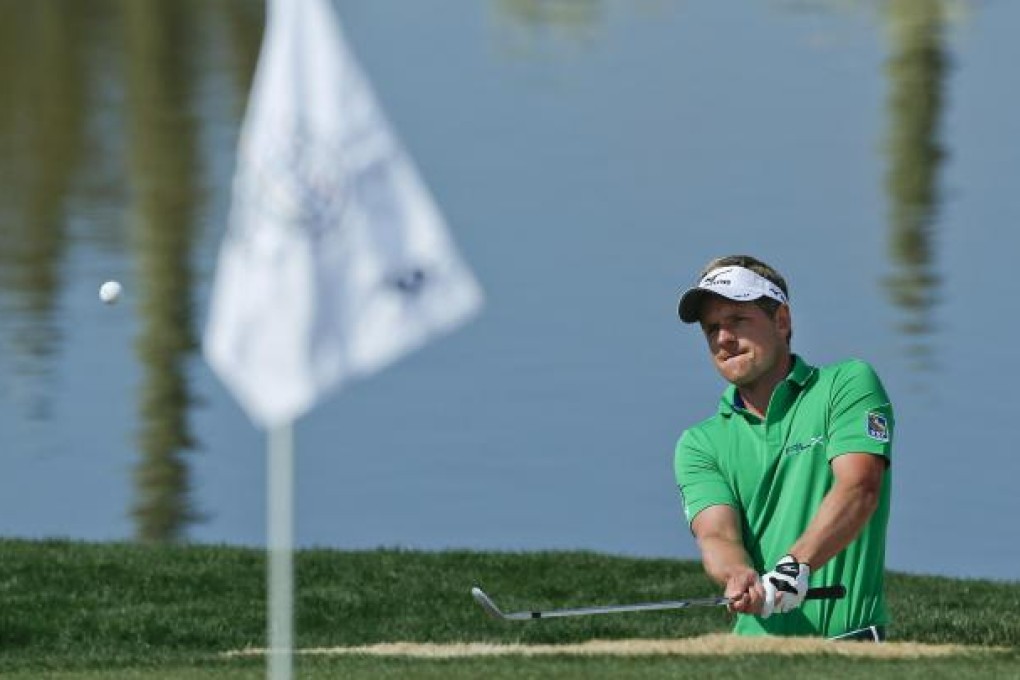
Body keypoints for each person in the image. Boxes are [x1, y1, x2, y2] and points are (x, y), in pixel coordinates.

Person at [673, 255, 893, 641]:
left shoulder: (845, 386)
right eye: (711, 328)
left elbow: (859, 488)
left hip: (853, 646)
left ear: (782, 321)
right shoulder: (699, 444)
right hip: (753, 656)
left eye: (737, 320)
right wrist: (736, 572)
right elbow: (717, 536)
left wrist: (795, 567)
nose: (723, 339)